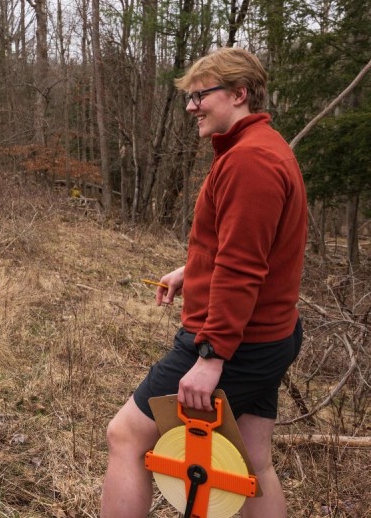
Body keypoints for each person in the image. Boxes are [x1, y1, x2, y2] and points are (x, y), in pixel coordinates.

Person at [100, 47, 307, 518]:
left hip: (237, 342)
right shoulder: (261, 149)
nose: (191, 106)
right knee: (254, 462)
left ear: (238, 94)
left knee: (127, 437)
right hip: (268, 335)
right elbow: (245, 250)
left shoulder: (250, 162)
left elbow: (243, 268)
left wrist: (210, 355)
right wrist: (190, 273)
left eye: (200, 95)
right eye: (189, 97)